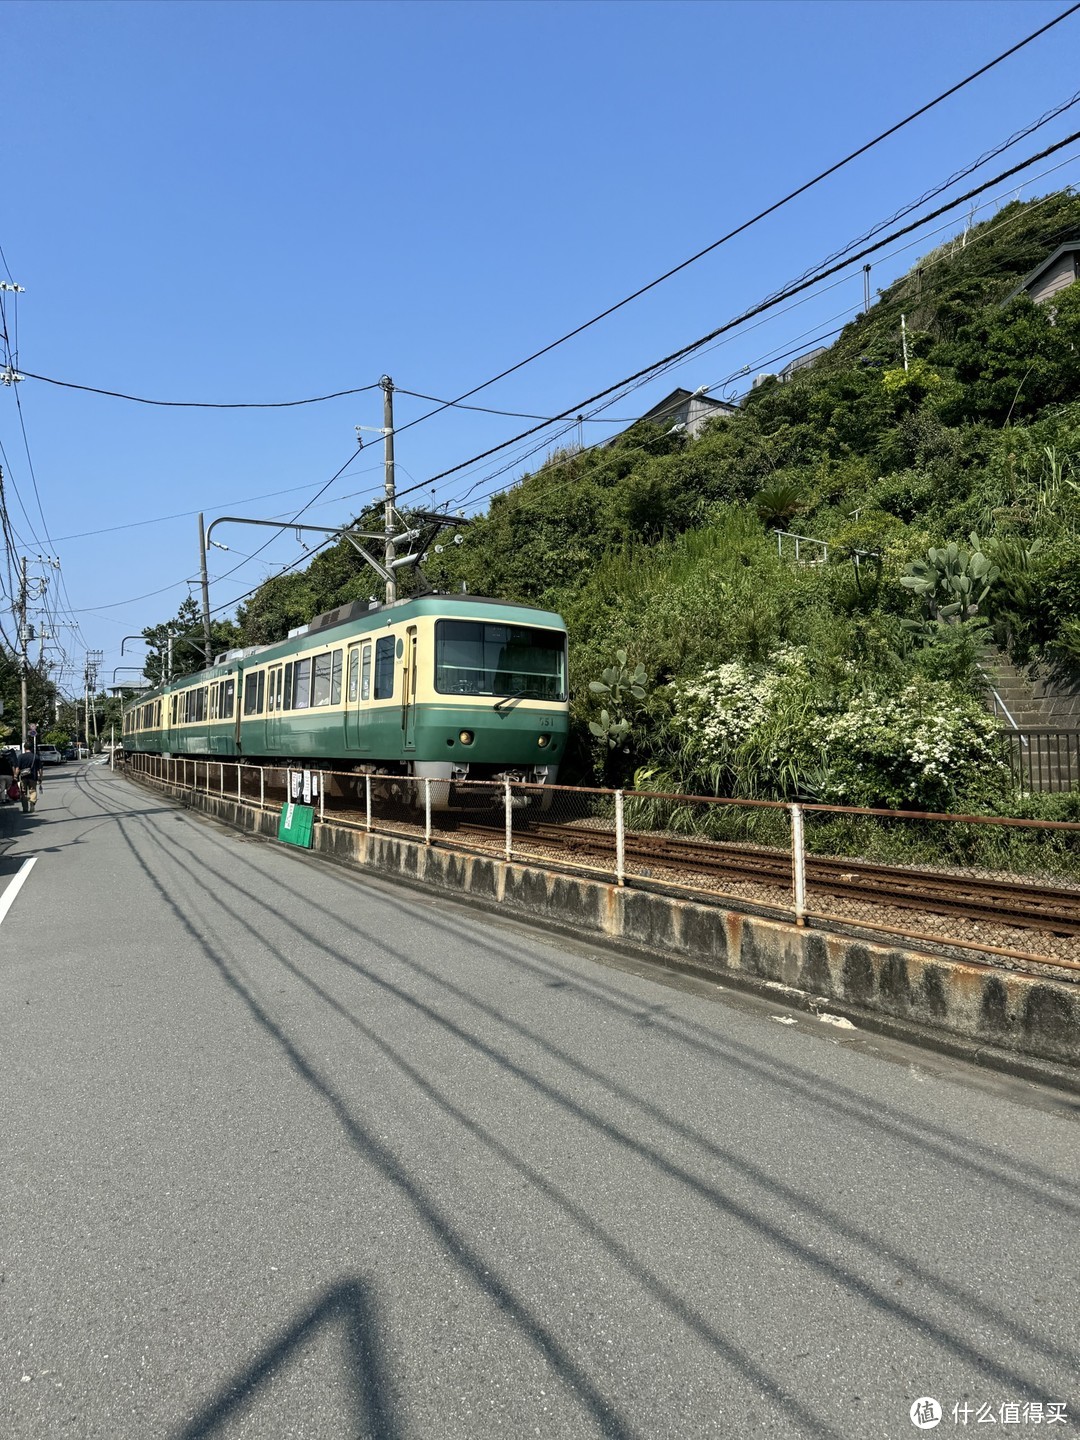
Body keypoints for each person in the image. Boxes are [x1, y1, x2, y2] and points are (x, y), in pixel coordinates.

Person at [14, 745, 42, 813]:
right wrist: (40, 778)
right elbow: (40, 769)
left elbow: (17, 768)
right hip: (33, 777)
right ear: (31, 748)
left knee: (23, 792)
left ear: (24, 748)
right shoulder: (36, 756)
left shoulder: (21, 756)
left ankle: (25, 808)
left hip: (23, 777)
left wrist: (15, 776)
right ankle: (32, 803)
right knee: (33, 790)